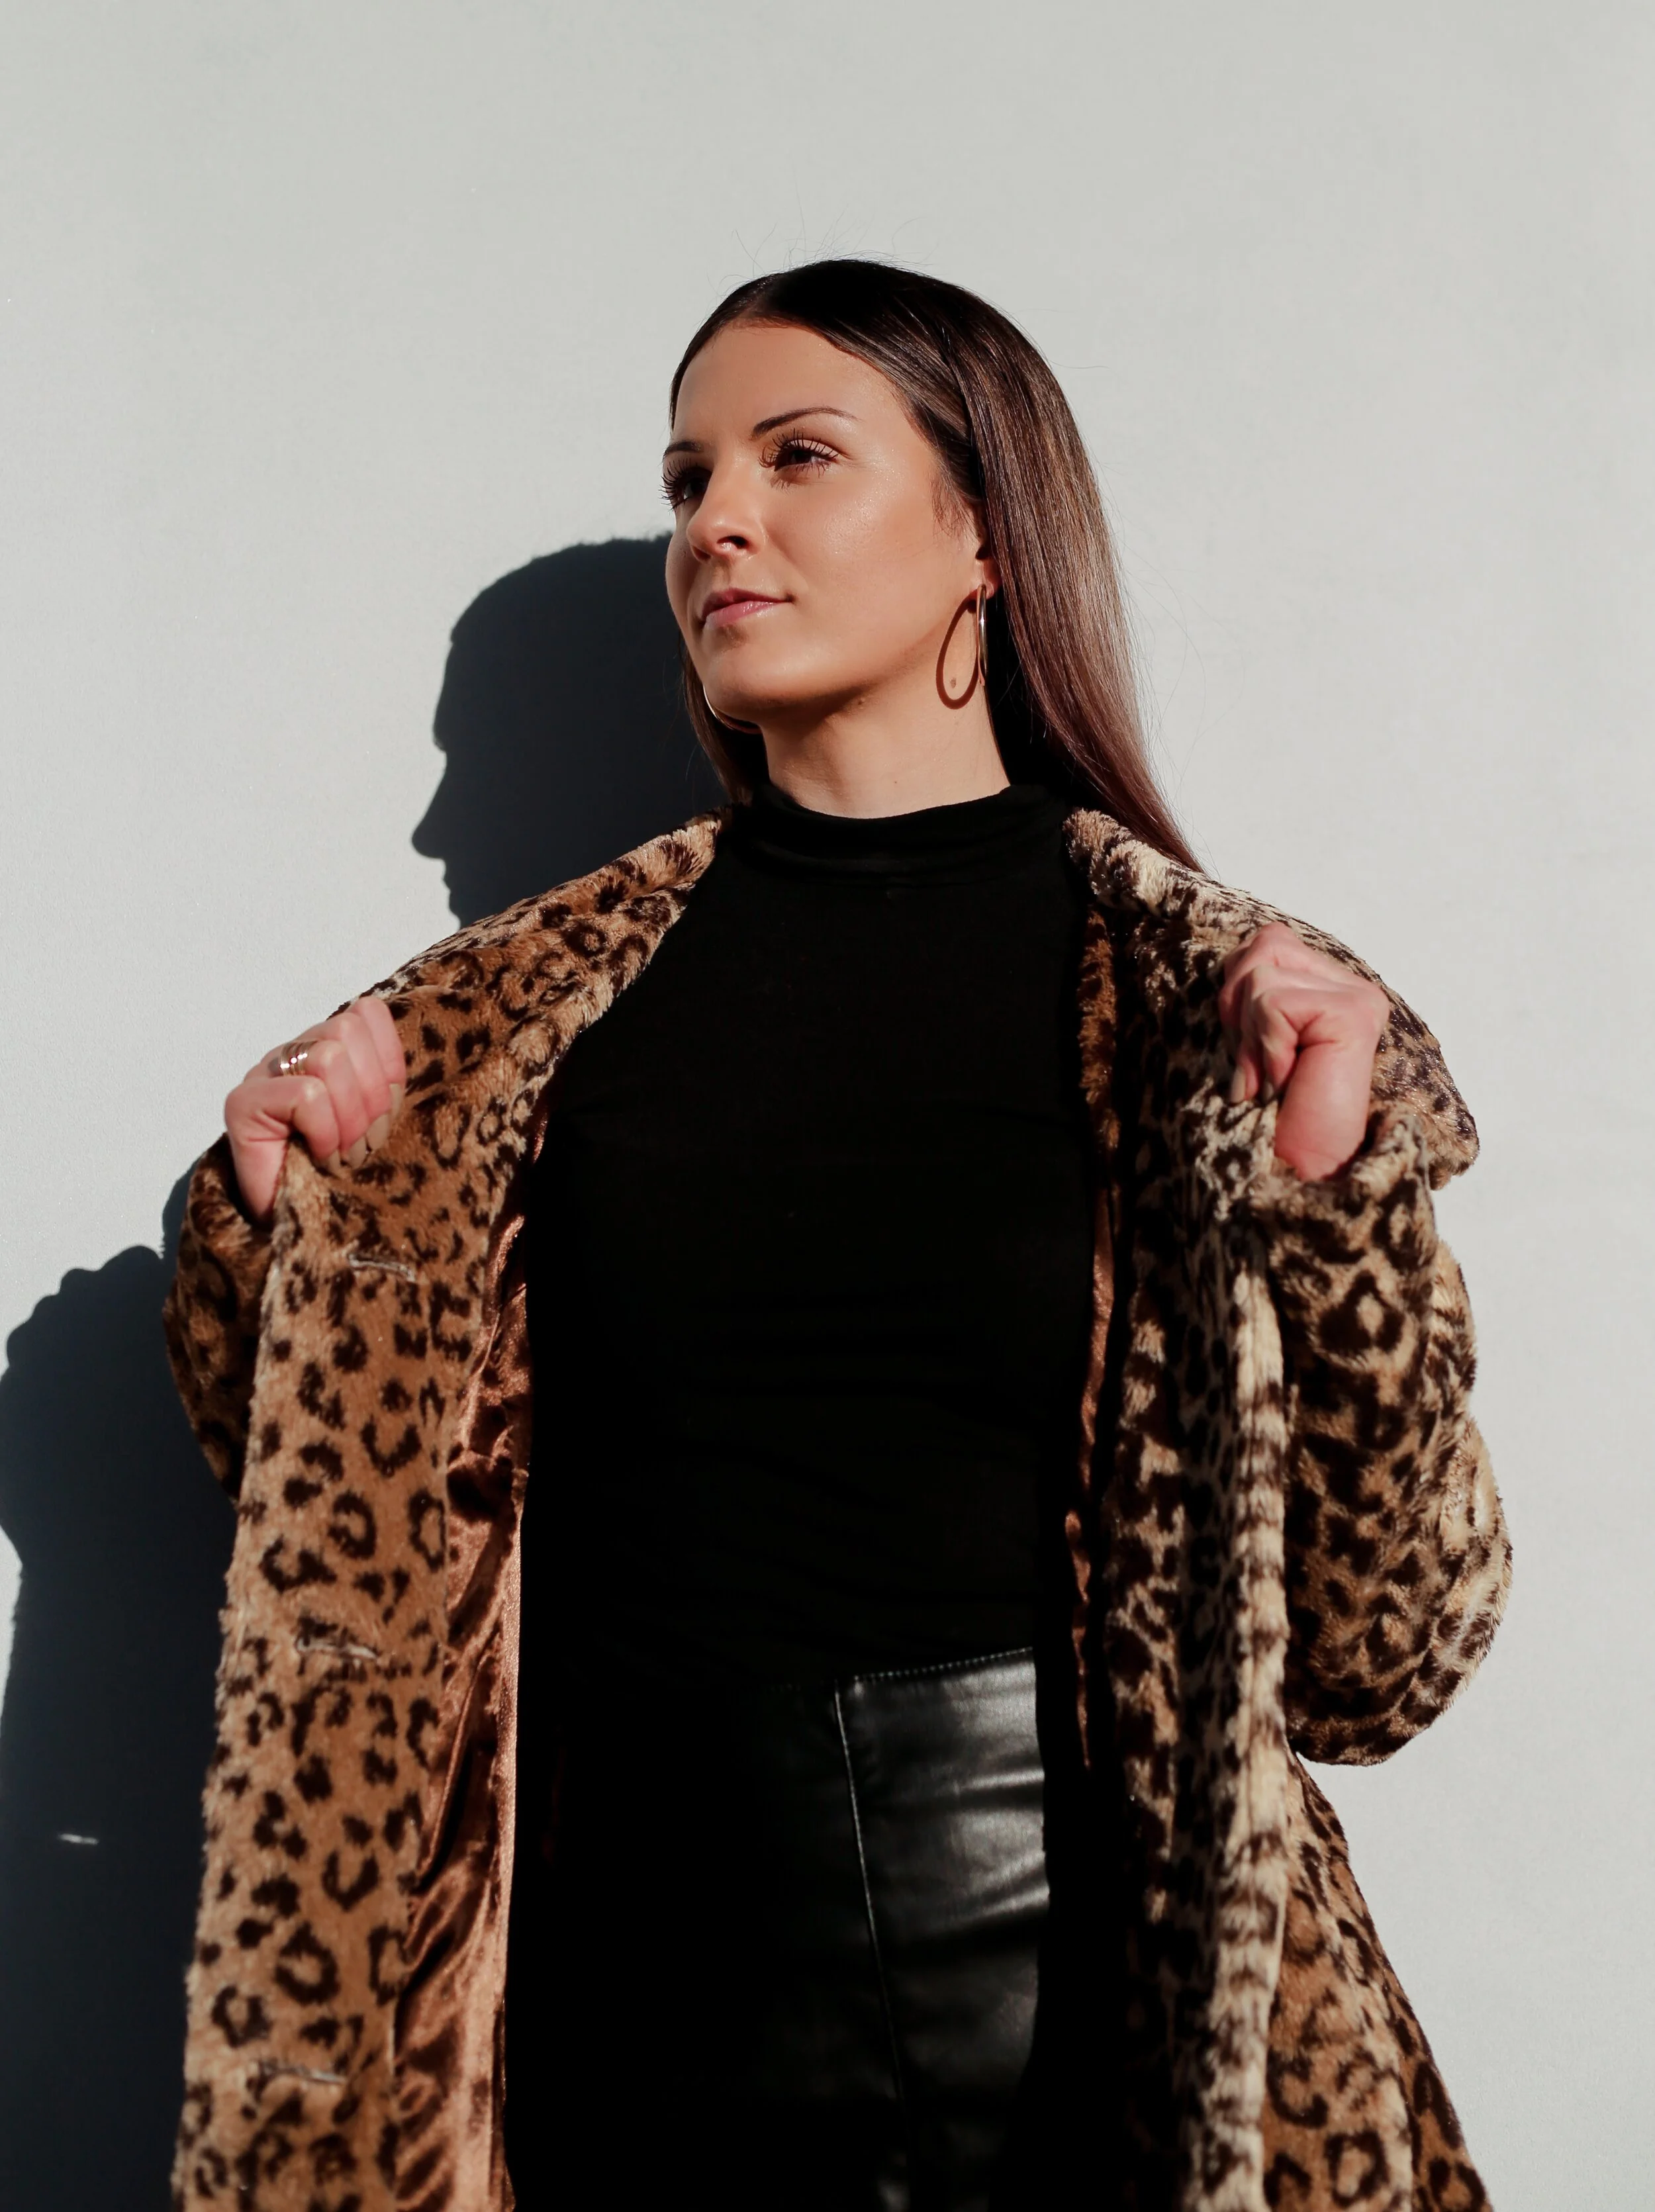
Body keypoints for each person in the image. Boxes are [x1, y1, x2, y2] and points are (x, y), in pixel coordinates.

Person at [162, 261, 1509, 2212]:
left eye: (798, 456)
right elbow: (344, 1549)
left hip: (1062, 1995)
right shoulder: (500, 1034)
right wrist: (275, 1233)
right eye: (688, 477)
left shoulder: (1217, 1016)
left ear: (985, 536)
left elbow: (1383, 1652)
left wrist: (1329, 1204)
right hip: (596, 1987)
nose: (718, 519)